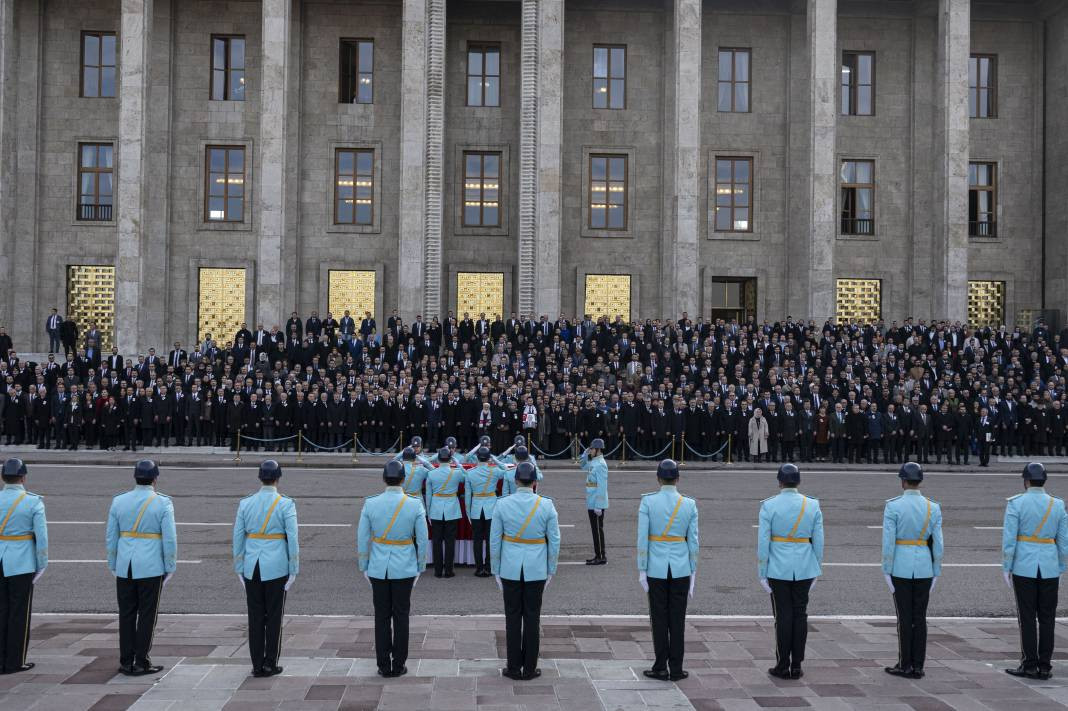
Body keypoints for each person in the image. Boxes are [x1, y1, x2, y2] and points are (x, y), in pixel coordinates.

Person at [105, 460, 177, 676]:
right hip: (151, 565)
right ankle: (141, 660)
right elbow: (170, 539)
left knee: (126, 614)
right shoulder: (163, 503)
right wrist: (170, 565)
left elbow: (111, 536)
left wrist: (113, 563)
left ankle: (126, 660)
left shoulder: (119, 501)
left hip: (125, 565)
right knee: (147, 614)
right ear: (155, 479)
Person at [490, 461, 560, 680]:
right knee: (532, 618)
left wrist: (496, 569)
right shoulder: (546, 505)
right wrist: (551, 569)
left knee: (512, 618)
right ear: (535, 482)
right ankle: (529, 668)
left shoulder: (502, 504)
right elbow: (554, 541)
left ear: (515, 480)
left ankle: (513, 667)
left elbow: (494, 541)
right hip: (536, 567)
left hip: (510, 567)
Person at [357, 460, 428, 677]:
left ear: (383, 478)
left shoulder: (371, 503)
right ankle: (398, 663)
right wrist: (420, 566)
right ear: (404, 479)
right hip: (404, 565)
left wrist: (364, 565)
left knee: (381, 616)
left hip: (378, 566)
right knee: (401, 616)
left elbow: (362, 538)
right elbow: (423, 539)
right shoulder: (414, 504)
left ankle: (382, 664)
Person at [1002, 462, 1068, 680]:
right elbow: (1063, 541)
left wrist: (1007, 566)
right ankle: (1045, 666)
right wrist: (1060, 567)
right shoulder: (1057, 505)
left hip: (1024, 565)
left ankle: (1029, 664)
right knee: (1048, 618)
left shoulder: (1017, 503)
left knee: (1027, 616)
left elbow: (1009, 539)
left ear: (1026, 481)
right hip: (1049, 566)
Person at [757, 463, 823, 680]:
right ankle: (797, 664)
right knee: (800, 615)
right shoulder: (812, 505)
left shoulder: (769, 505)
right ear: (799, 481)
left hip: (778, 567)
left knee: (783, 616)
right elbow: (819, 541)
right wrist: (816, 566)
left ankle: (782, 663)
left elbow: (763, 541)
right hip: (804, 566)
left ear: (779, 481)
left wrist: (762, 570)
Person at [233, 460, 298, 678]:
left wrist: (239, 567)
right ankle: (270, 662)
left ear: (260, 478)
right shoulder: (286, 504)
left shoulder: (246, 503)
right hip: (277, 566)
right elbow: (293, 539)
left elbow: (238, 538)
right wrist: (294, 568)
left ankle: (256, 664)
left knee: (255, 617)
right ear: (278, 478)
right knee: (273, 617)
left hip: (253, 565)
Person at [637, 459, 698, 682]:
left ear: (658, 478)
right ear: (678, 479)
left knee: (659, 618)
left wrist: (642, 568)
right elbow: (693, 541)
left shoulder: (648, 502)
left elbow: (642, 539)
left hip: (656, 566)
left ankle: (660, 665)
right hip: (681, 567)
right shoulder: (689, 504)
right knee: (678, 619)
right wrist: (693, 570)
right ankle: (677, 667)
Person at [882, 462, 943, 680]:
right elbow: (938, 543)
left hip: (901, 565)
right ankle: (918, 665)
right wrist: (936, 569)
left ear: (903, 481)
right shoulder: (932, 507)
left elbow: (888, 542)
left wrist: (886, 569)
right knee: (920, 617)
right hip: (924, 566)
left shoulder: (893, 506)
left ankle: (904, 663)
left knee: (905, 618)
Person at [0, 458, 47, 674]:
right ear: (23, 477)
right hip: (21, 562)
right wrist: (41, 564)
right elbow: (41, 538)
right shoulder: (33, 502)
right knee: (19, 612)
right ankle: (15, 661)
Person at [464, 447, 504, 577]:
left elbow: (468, 496)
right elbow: (507, 471)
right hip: (491, 508)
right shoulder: (495, 471)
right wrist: (496, 460)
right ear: (488, 458)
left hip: (476, 508)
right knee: (490, 539)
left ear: (477, 458)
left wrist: (468, 512)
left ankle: (479, 568)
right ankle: (488, 567)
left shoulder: (470, 473)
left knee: (477, 540)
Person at [426, 447, 463, 578]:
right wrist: (457, 462)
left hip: (436, 508)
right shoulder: (457, 473)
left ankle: (437, 571)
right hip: (451, 508)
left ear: (438, 458)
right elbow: (467, 475)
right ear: (450, 458)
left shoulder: (431, 474)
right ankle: (448, 570)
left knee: (436, 541)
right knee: (450, 541)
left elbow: (429, 497)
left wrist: (428, 512)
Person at [580, 438, 609, 565]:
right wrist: (584, 455)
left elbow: (602, 487)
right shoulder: (594, 462)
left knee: (597, 530)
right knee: (595, 530)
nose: (590, 450)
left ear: (597, 450)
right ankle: (598, 555)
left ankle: (601, 556)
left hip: (597, 503)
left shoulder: (601, 464)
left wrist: (598, 505)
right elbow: (583, 466)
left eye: (591, 449)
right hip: (591, 501)